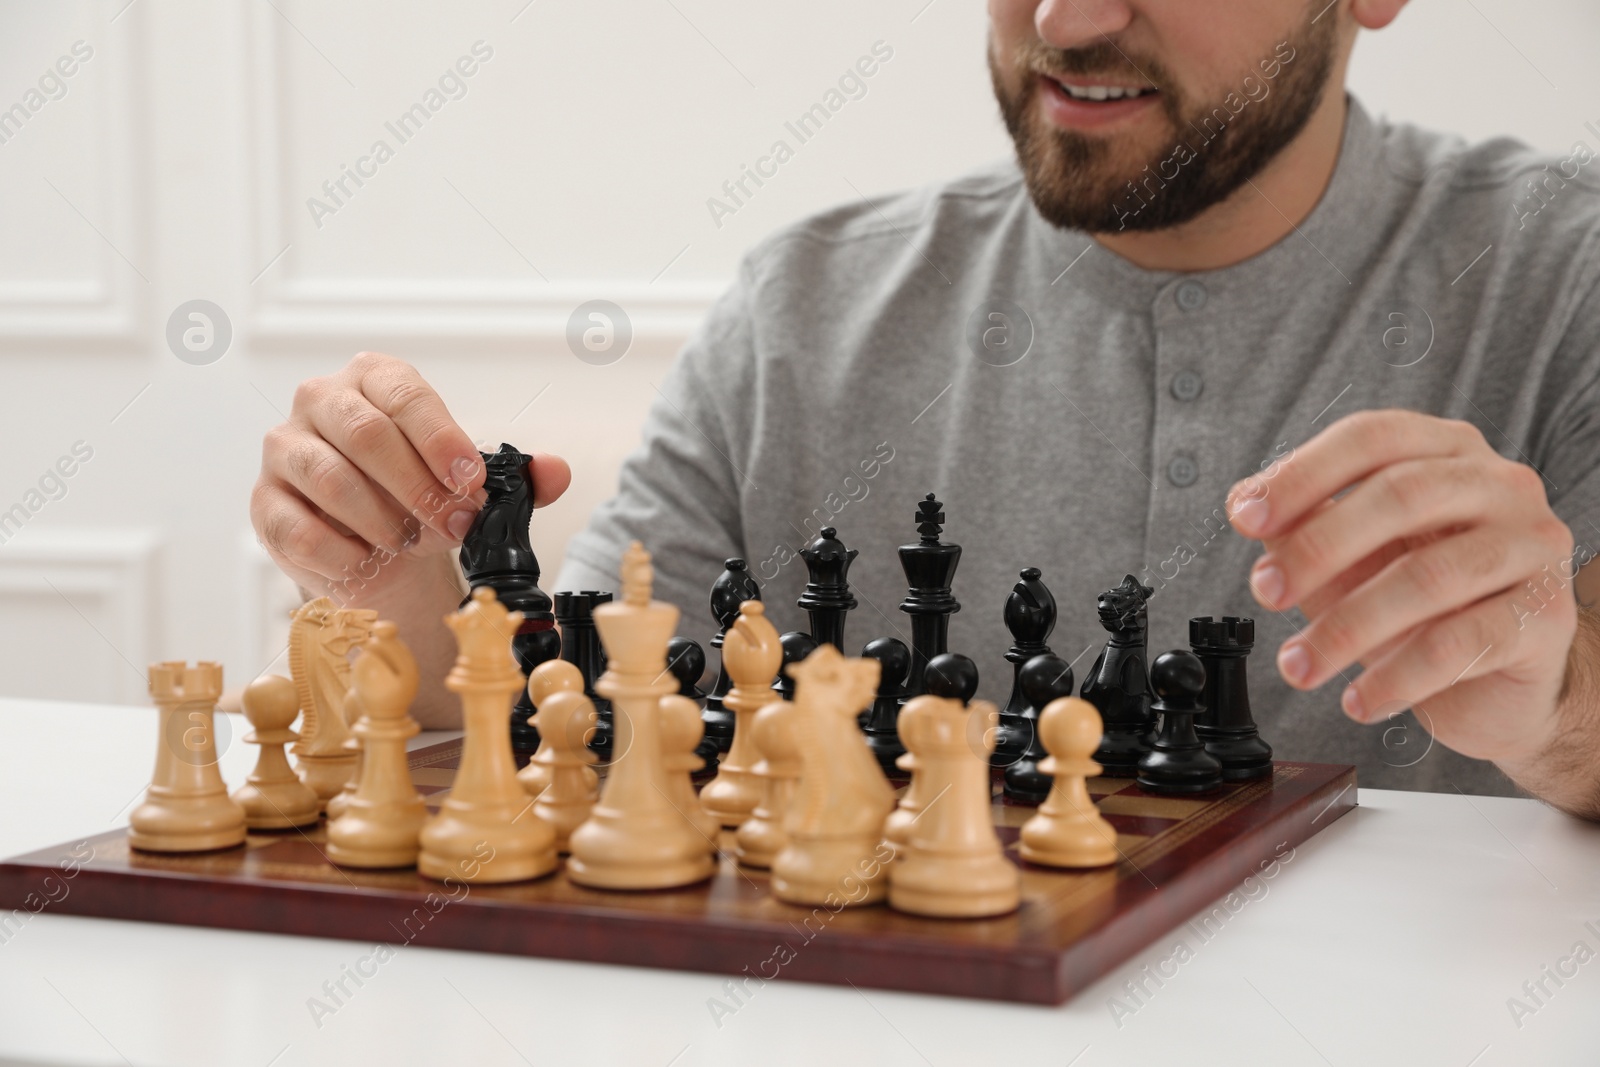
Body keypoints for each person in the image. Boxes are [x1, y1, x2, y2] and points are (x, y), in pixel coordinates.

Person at [250, 0, 1600, 817]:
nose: (1066, 21)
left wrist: (1557, 703)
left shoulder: (1568, 272)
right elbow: (567, 700)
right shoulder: (803, 306)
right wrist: (397, 571)